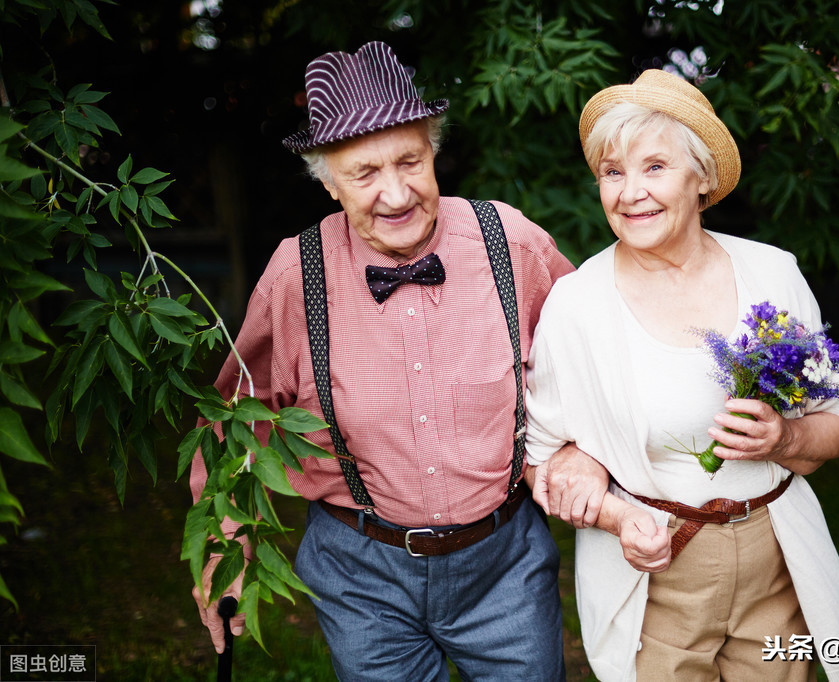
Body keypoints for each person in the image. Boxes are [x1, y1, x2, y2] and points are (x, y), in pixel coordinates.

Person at [189, 41, 586, 681]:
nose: (396, 193)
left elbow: (587, 364)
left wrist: (578, 454)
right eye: (364, 173)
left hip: (504, 564)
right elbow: (239, 419)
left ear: (434, 151)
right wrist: (224, 548)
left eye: (410, 160)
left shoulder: (509, 242)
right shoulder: (297, 274)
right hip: (358, 574)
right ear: (326, 182)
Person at [524, 69, 839, 681]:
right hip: (654, 571)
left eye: (655, 167)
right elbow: (542, 464)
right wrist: (598, 494)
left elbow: (833, 429)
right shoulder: (576, 305)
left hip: (775, 559)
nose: (630, 193)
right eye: (612, 172)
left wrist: (784, 439)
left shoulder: (773, 274)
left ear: (701, 178)